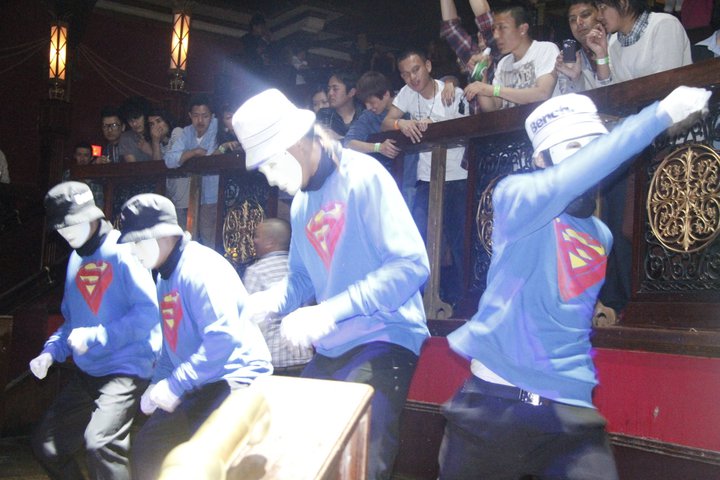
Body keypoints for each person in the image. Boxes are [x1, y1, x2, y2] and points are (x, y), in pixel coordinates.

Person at [437, 86, 711, 479]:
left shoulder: (601, 235)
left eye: (592, 146)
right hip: (495, 405)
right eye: (571, 147)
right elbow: (564, 181)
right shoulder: (517, 197)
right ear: (541, 159)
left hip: (571, 412)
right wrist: (660, 114)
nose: (586, 157)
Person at [234, 89, 430, 480]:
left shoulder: (364, 175)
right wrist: (266, 302)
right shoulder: (301, 203)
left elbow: (411, 265)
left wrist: (330, 310)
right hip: (331, 346)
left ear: (296, 143)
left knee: (356, 465)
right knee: (291, 460)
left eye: (270, 164)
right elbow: (302, 278)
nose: (270, 179)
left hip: (383, 338)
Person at [117, 193, 272, 480]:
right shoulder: (164, 276)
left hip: (234, 380)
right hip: (198, 382)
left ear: (164, 235)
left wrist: (174, 385)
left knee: (207, 465)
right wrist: (157, 384)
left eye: (138, 242)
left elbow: (222, 340)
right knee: (147, 453)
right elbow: (171, 346)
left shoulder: (200, 268)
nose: (134, 252)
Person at [30, 181, 161, 480]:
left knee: (101, 443)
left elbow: (148, 312)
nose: (65, 233)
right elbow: (71, 323)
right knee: (46, 445)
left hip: (127, 368)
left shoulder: (123, 249)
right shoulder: (76, 258)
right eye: (60, 227)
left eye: (71, 223)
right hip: (90, 371)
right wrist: (50, 352)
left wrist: (98, 336)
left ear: (91, 216)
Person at [381, 50, 468, 305]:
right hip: (426, 177)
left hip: (457, 176)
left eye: (416, 70)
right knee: (419, 238)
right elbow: (387, 122)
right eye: (406, 74)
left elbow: (465, 128)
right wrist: (401, 124)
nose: (412, 78)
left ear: (428, 66)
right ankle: (419, 300)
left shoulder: (451, 92)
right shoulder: (407, 93)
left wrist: (434, 123)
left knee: (459, 240)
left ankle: (464, 301)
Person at [242, 218, 314, 376]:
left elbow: (248, 321)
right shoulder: (303, 271)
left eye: (257, 236)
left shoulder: (257, 271)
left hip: (274, 361)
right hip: (305, 358)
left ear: (270, 242)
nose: (254, 241)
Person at [463, 4, 559, 111]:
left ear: (522, 29)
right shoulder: (504, 63)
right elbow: (491, 107)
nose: (496, 35)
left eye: (502, 28)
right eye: (494, 29)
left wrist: (493, 90)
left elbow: (543, 93)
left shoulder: (545, 50)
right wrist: (481, 76)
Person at [163, 94, 220, 247]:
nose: (200, 121)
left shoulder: (217, 128)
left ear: (212, 116)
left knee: (212, 239)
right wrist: (194, 152)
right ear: (190, 115)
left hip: (216, 193)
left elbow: (211, 158)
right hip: (195, 195)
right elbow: (169, 160)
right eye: (196, 116)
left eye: (205, 116)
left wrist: (186, 156)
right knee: (195, 239)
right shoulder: (187, 132)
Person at [596, 0, 691, 83]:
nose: (599, 16)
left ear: (623, 3)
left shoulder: (664, 25)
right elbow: (610, 92)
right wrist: (601, 55)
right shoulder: (613, 42)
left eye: (602, 7)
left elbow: (665, 83)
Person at [555, 0, 613, 94]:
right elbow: (570, 100)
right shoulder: (573, 59)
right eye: (573, 20)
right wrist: (576, 78)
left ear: (600, 14)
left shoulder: (618, 43)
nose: (579, 22)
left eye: (585, 15)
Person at [315, 70, 364, 138]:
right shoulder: (324, 114)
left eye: (335, 89)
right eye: (329, 89)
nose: (330, 93)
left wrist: (340, 138)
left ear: (351, 92)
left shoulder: (364, 116)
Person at [119, 96, 152, 162]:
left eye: (137, 118)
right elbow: (133, 167)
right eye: (130, 120)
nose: (134, 124)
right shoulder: (127, 138)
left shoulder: (157, 131)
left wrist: (150, 151)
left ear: (145, 115)